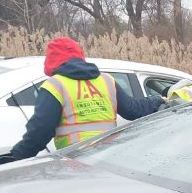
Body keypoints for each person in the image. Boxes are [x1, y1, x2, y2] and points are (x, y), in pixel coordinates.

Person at [10, 37, 165, 160]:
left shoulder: (54, 85)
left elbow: (39, 133)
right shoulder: (106, 80)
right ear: (80, 56)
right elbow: (134, 110)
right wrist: (158, 100)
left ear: (51, 61)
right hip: (111, 160)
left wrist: (12, 160)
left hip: (75, 162)